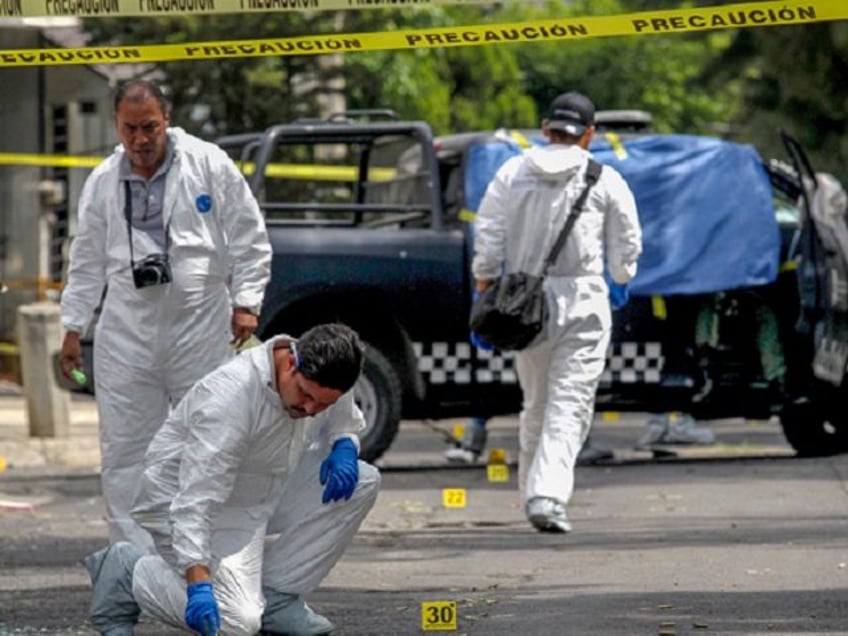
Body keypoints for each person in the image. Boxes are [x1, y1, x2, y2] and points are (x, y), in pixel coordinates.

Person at [58, 79, 272, 546]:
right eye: (129, 129)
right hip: (126, 334)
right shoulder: (102, 181)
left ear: (167, 121)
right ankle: (132, 564)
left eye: (149, 127)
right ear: (116, 125)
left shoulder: (208, 163)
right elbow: (87, 259)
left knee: (211, 440)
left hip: (199, 328)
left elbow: (247, 234)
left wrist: (247, 303)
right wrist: (73, 326)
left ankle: (207, 555)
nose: (140, 140)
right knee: (126, 452)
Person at [83, 323, 380, 636]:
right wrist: (198, 584)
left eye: (323, 404)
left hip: (259, 495)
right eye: (306, 396)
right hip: (182, 505)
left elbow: (343, 420)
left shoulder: (328, 375)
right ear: (291, 362)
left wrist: (344, 442)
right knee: (239, 623)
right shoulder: (230, 398)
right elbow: (196, 501)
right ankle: (129, 573)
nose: (310, 410)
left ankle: (277, 597)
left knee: (363, 480)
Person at [472, 90, 642, 533]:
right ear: (589, 134)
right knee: (570, 402)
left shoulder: (511, 172)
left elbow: (488, 232)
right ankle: (547, 495)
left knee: (537, 401)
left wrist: (485, 284)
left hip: (524, 304)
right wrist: (621, 278)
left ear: (546, 129)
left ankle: (533, 489)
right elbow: (627, 242)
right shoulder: (604, 178)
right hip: (584, 301)